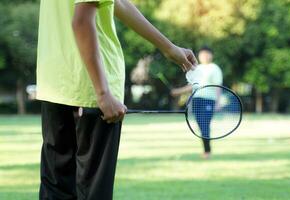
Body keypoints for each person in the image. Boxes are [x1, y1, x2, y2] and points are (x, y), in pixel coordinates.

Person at [36, 0, 197, 199]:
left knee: (55, 190)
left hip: (56, 84)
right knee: (93, 192)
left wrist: (168, 47)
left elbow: (116, 2)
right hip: (91, 90)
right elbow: (81, 22)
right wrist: (103, 93)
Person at [171, 47, 223, 159]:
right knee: (201, 126)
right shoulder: (196, 68)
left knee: (205, 126)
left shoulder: (214, 68)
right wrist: (177, 92)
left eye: (207, 54)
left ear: (211, 55)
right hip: (196, 100)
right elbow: (191, 86)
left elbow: (218, 86)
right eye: (202, 54)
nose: (204, 56)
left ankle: (207, 151)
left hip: (209, 100)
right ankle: (206, 150)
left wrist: (218, 102)